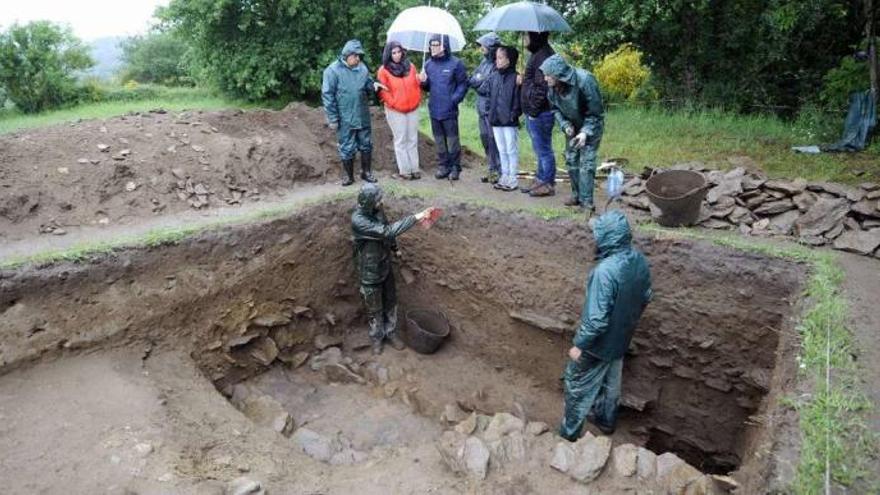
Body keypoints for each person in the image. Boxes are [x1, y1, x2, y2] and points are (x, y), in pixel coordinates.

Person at [560, 210, 652, 441]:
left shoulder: (605, 272)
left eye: (598, 233)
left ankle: (568, 435)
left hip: (597, 345)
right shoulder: (639, 260)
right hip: (621, 338)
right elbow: (646, 296)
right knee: (612, 383)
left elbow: (596, 320)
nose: (595, 238)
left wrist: (579, 345)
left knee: (577, 386)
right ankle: (606, 421)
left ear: (608, 238)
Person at [351, 183, 434, 354]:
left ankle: (390, 333)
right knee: (374, 308)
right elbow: (386, 231)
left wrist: (396, 249)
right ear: (368, 202)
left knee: (390, 302)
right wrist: (416, 217)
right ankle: (377, 338)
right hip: (369, 271)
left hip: (384, 265)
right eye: (377, 200)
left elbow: (389, 234)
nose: (380, 203)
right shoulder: (359, 220)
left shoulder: (378, 212)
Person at [540, 54, 605, 213]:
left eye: (548, 75)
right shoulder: (553, 88)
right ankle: (576, 195)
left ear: (558, 74)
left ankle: (587, 204)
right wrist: (565, 125)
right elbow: (554, 109)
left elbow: (596, 113)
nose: (545, 79)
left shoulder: (585, 81)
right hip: (572, 127)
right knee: (571, 160)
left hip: (591, 126)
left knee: (586, 164)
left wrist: (585, 133)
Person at [322, 39, 386, 186]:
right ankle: (349, 176)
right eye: (355, 56)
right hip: (345, 117)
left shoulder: (362, 68)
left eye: (359, 56)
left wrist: (373, 85)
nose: (358, 59)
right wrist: (332, 118)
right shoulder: (332, 71)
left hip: (362, 114)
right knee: (346, 146)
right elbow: (327, 95)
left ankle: (366, 172)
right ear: (347, 55)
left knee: (366, 144)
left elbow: (367, 84)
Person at [419, 34, 468, 181]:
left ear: (444, 46)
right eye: (431, 45)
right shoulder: (427, 65)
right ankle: (443, 166)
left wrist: (454, 100)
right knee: (439, 141)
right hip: (434, 109)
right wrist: (423, 82)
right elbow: (427, 88)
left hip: (450, 110)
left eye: (436, 45)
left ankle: (455, 167)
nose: (433, 48)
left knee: (452, 141)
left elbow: (463, 84)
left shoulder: (456, 63)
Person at [377, 41, 423, 180]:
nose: (397, 55)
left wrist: (421, 80)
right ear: (389, 54)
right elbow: (382, 91)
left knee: (412, 139)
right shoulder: (383, 70)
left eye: (399, 52)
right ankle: (405, 171)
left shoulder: (411, 67)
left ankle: (415, 169)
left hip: (413, 108)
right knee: (401, 140)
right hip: (395, 110)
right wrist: (394, 103)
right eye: (394, 53)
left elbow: (416, 85)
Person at [519, 31, 558, 197]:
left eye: (527, 36)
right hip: (538, 111)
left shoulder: (543, 56)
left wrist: (533, 110)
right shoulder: (539, 54)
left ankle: (546, 183)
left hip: (541, 112)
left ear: (536, 37)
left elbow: (542, 88)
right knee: (540, 148)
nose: (525, 40)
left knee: (543, 149)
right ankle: (541, 179)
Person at [479, 46, 522, 191]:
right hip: (495, 119)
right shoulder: (494, 76)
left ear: (509, 60)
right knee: (502, 149)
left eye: (500, 57)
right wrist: (489, 112)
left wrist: (513, 114)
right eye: (496, 57)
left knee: (511, 149)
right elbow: (488, 94)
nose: (497, 60)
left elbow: (518, 100)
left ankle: (513, 177)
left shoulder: (516, 77)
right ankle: (504, 175)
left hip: (509, 120)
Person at [468, 32, 502, 185]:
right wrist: (479, 81)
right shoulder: (483, 63)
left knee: (493, 139)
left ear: (491, 47)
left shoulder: (497, 64)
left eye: (484, 46)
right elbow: (472, 80)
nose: (481, 48)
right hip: (481, 108)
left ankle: (498, 170)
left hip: (491, 108)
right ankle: (491, 167)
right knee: (484, 138)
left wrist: (479, 81)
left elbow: (488, 87)